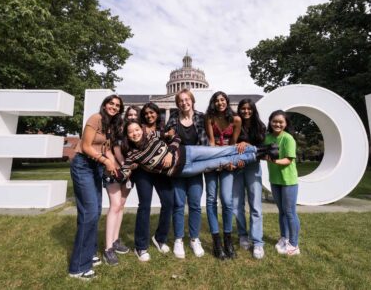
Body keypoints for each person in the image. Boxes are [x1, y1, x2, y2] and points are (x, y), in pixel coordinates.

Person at [68, 95, 123, 279]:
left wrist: (115, 166)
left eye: (117, 106)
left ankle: (89, 253)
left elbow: (106, 149)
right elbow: (85, 146)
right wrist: (105, 161)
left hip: (96, 167)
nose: (114, 107)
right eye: (111, 103)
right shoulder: (95, 118)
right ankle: (78, 267)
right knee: (89, 212)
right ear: (105, 104)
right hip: (83, 164)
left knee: (95, 211)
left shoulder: (110, 125)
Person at [118, 120, 276, 180]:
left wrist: (170, 152)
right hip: (183, 170)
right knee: (222, 161)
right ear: (127, 135)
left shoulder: (153, 135)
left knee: (222, 151)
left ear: (141, 129)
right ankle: (260, 155)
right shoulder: (132, 155)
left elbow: (175, 137)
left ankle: (262, 148)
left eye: (137, 130)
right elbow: (122, 174)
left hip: (188, 152)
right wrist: (108, 165)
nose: (135, 133)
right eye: (131, 132)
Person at [164, 89, 208, 259]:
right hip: (178, 167)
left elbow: (207, 140)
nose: (184, 103)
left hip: (196, 166)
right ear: (177, 103)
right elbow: (167, 141)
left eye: (187, 99)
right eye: (180, 100)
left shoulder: (201, 117)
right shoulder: (173, 119)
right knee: (179, 204)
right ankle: (178, 239)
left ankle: (194, 239)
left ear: (192, 100)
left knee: (195, 204)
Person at [131, 102, 174, 262]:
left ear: (157, 113)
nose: (149, 115)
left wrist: (170, 152)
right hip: (143, 172)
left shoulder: (162, 129)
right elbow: (131, 146)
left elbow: (172, 142)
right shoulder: (139, 129)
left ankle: (159, 237)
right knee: (145, 206)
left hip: (160, 171)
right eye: (147, 113)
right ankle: (140, 246)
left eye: (152, 113)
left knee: (169, 202)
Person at [204, 91, 242, 260]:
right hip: (212, 162)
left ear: (227, 102)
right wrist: (215, 161)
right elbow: (211, 142)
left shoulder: (236, 120)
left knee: (227, 201)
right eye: (217, 100)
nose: (220, 103)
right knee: (211, 199)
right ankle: (216, 241)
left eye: (222, 100)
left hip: (228, 163)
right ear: (214, 103)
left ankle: (228, 240)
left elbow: (233, 144)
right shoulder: (209, 118)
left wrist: (230, 161)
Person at [233, 99, 266, 259]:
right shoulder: (234, 124)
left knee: (255, 205)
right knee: (236, 205)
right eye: (243, 108)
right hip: (238, 167)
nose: (246, 111)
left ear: (253, 110)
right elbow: (230, 145)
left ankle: (258, 242)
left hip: (253, 167)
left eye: (248, 109)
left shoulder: (260, 126)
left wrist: (247, 144)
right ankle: (242, 235)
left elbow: (262, 149)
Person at [265, 110, 301, 256]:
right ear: (270, 122)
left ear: (286, 124)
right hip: (275, 179)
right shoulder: (268, 137)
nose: (277, 124)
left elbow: (288, 159)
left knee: (290, 212)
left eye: (281, 122)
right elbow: (264, 153)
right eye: (274, 121)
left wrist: (273, 161)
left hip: (288, 181)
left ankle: (294, 244)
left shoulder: (288, 139)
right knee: (282, 212)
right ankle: (284, 238)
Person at [102, 98, 133, 266]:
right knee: (114, 205)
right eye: (130, 114)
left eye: (136, 115)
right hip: (114, 170)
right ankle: (108, 249)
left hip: (128, 173)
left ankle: (115, 241)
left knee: (120, 206)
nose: (132, 117)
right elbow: (112, 148)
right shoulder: (116, 126)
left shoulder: (134, 132)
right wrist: (123, 166)